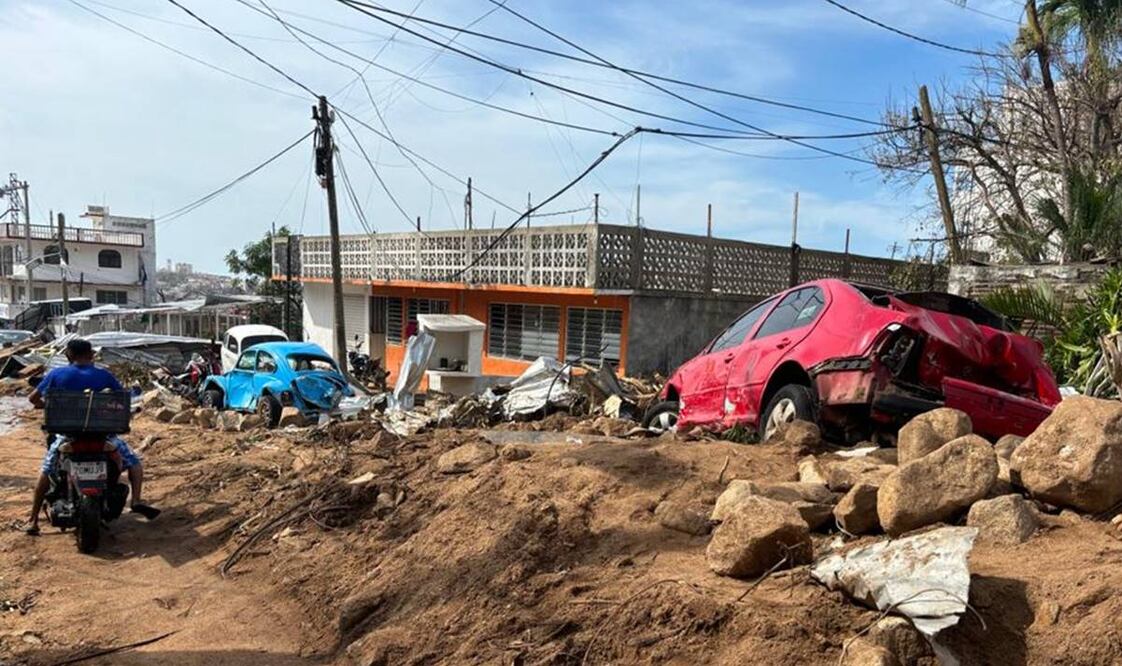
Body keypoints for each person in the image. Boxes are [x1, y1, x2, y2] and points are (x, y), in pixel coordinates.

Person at [25, 338, 159, 535]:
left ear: (68, 356)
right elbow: (122, 399)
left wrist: (49, 406)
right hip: (102, 436)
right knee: (134, 463)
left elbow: (33, 398)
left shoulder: (56, 374)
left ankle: (33, 519)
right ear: (91, 355)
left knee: (47, 470)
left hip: (68, 436)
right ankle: (137, 500)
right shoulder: (103, 375)